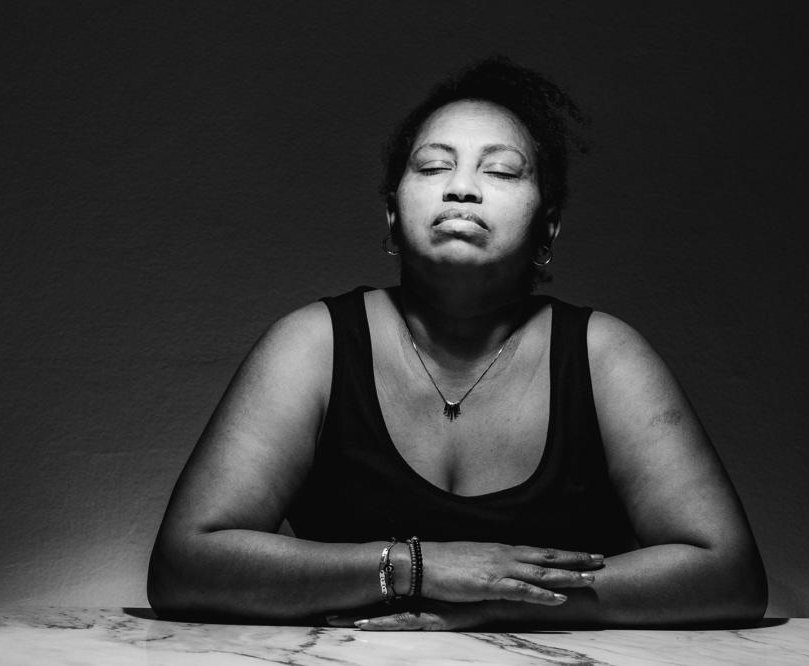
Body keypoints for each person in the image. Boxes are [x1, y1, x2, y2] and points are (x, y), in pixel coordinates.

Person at [147, 57, 767, 631]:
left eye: (499, 170)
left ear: (548, 226)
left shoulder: (605, 355)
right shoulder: (313, 344)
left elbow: (729, 574)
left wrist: (495, 603)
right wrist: (418, 567)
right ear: (392, 216)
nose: (462, 188)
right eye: (433, 166)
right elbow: (184, 565)